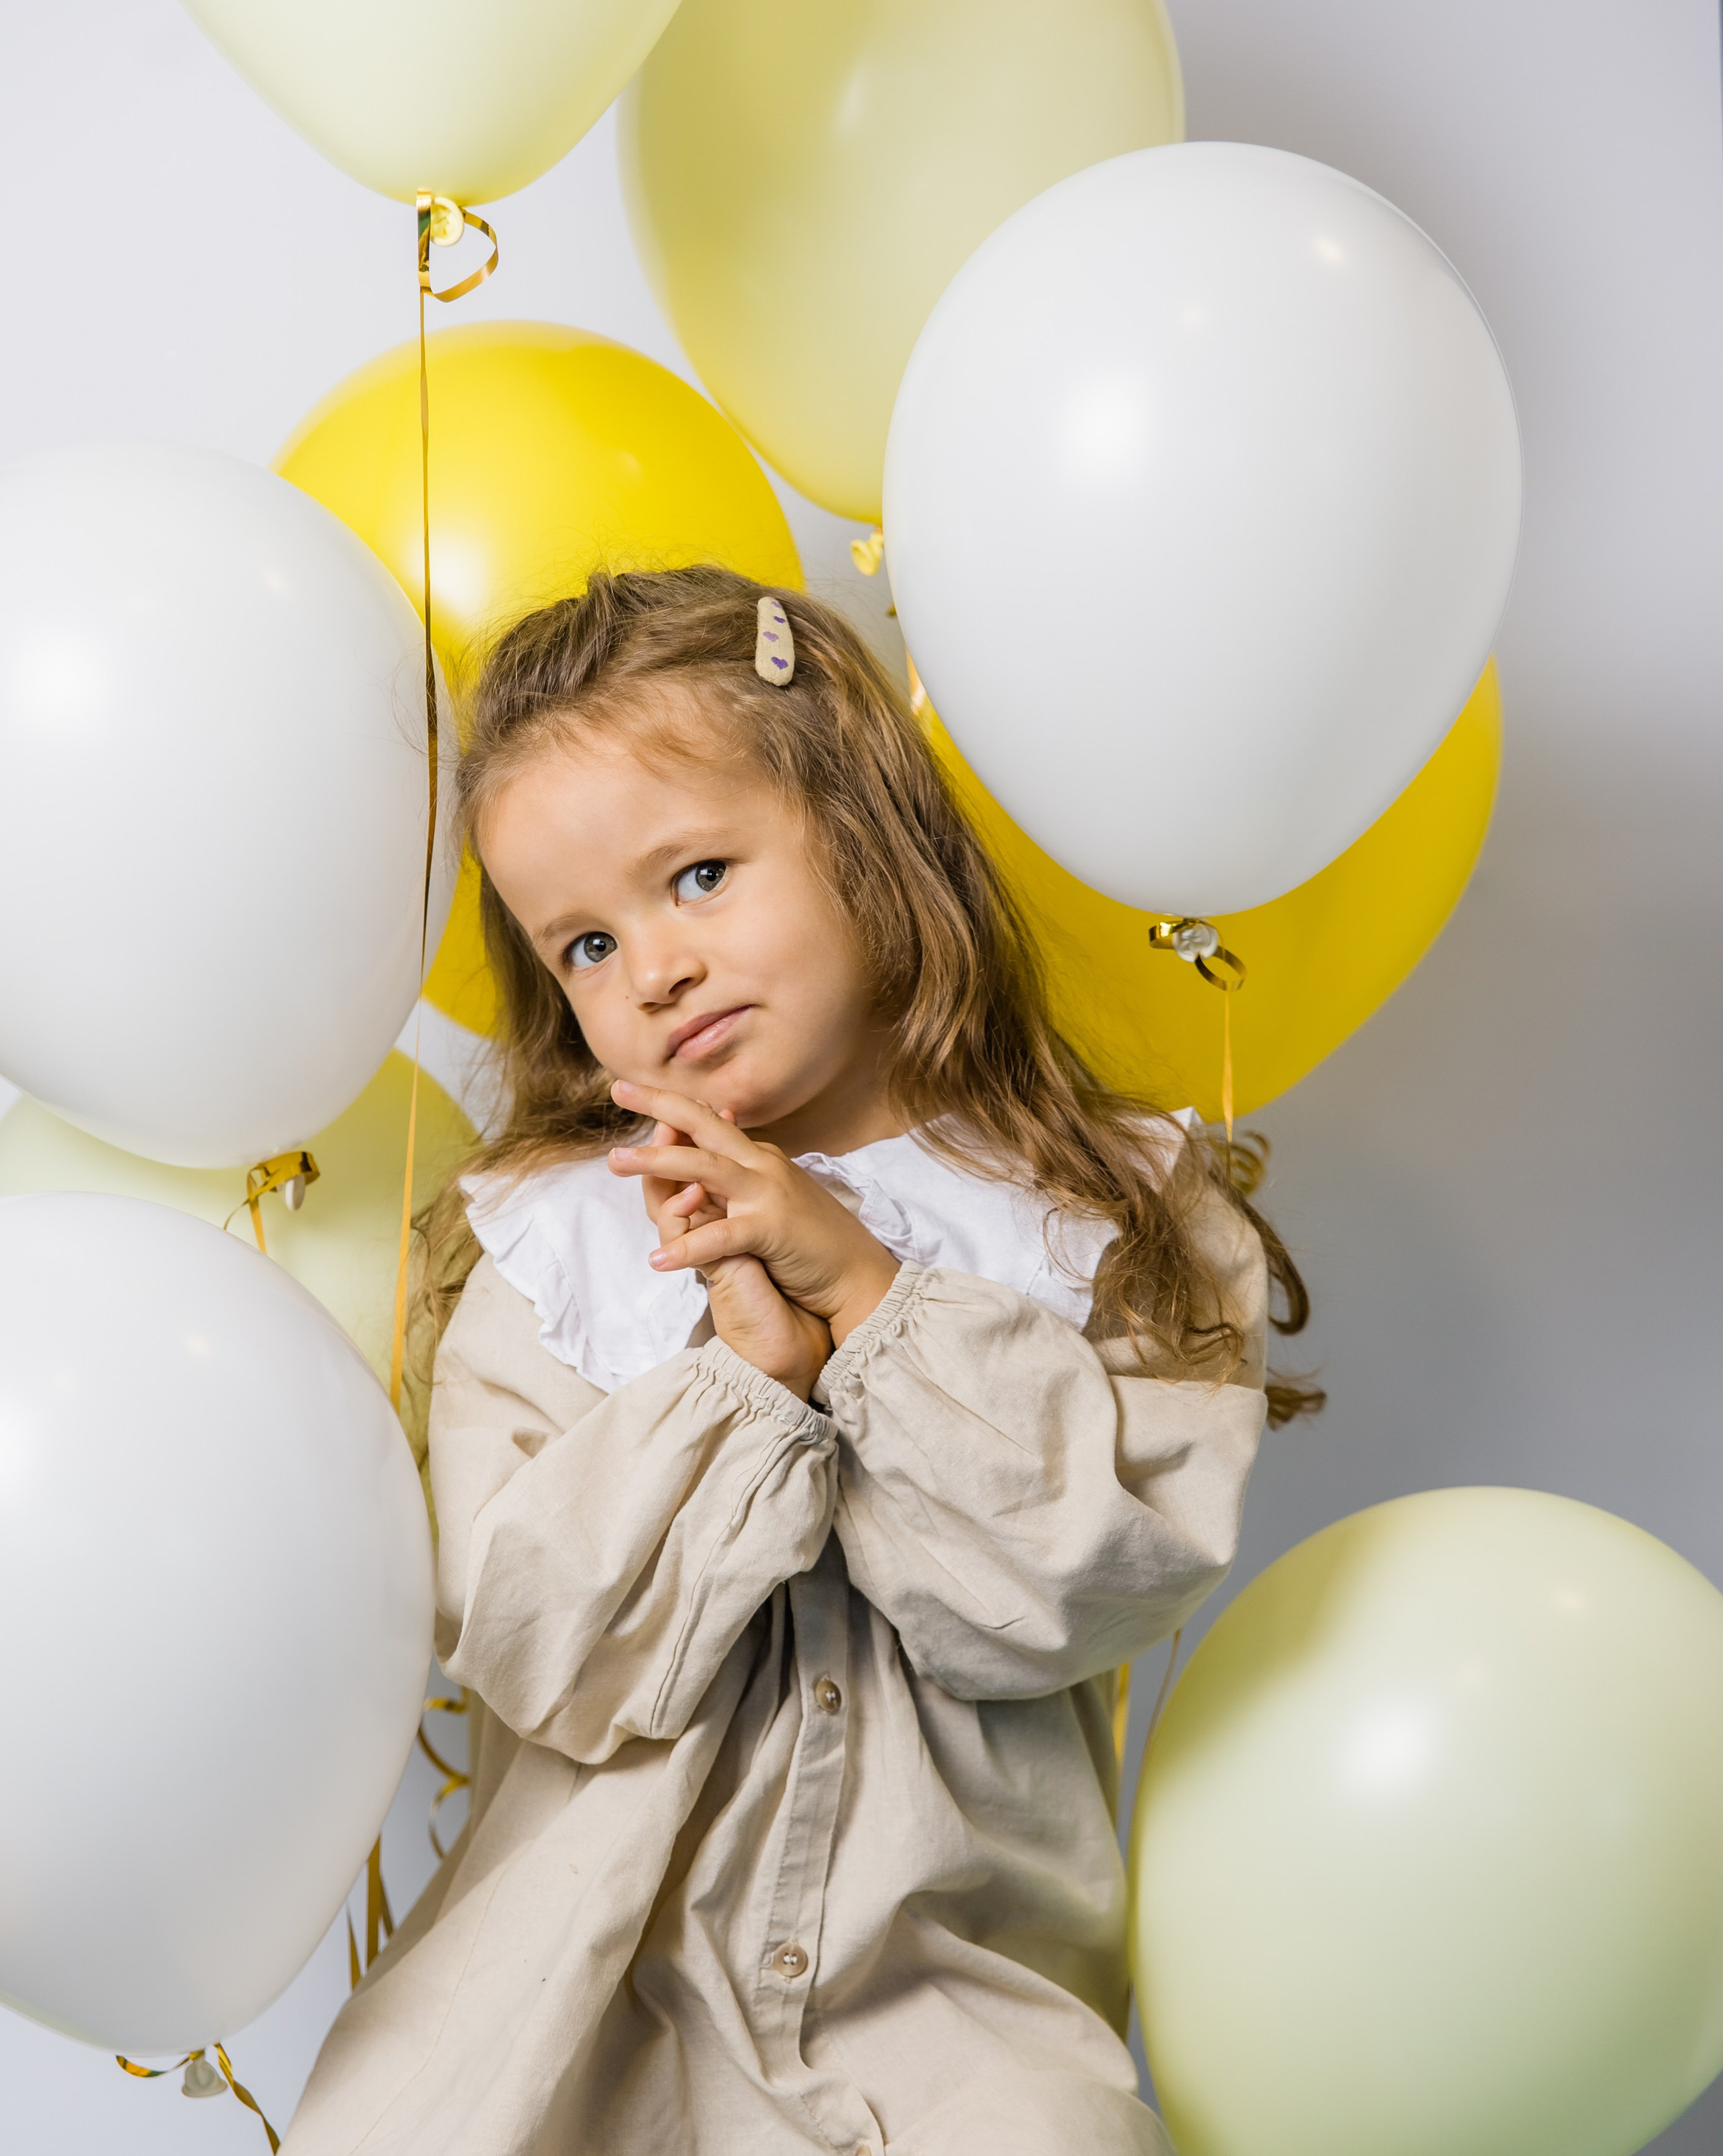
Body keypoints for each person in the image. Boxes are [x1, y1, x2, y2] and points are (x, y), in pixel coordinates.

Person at [283, 567, 1318, 2156]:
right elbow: (540, 1643)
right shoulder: (549, 1249)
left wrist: (868, 1295)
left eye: (699, 873)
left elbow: (1073, 1589)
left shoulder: (1099, 1214)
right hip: (572, 2012)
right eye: (582, 943)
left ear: (858, 826)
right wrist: (743, 1384)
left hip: (952, 2021)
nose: (654, 969)